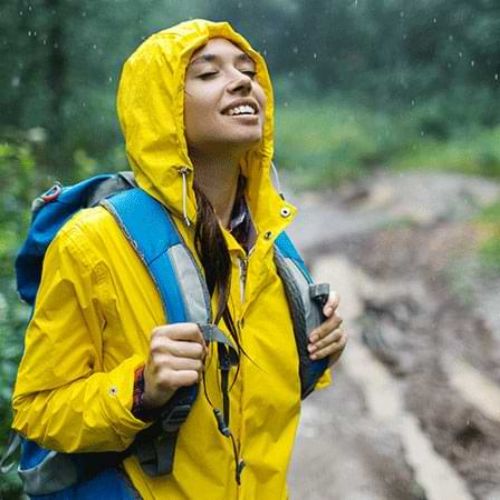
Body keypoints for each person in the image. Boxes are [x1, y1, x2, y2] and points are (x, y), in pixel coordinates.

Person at [12, 19, 347, 499]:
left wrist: (318, 351)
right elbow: (36, 410)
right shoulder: (94, 242)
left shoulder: (271, 249)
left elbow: (257, 410)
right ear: (160, 111)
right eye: (208, 74)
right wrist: (141, 388)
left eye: (248, 71)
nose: (241, 81)